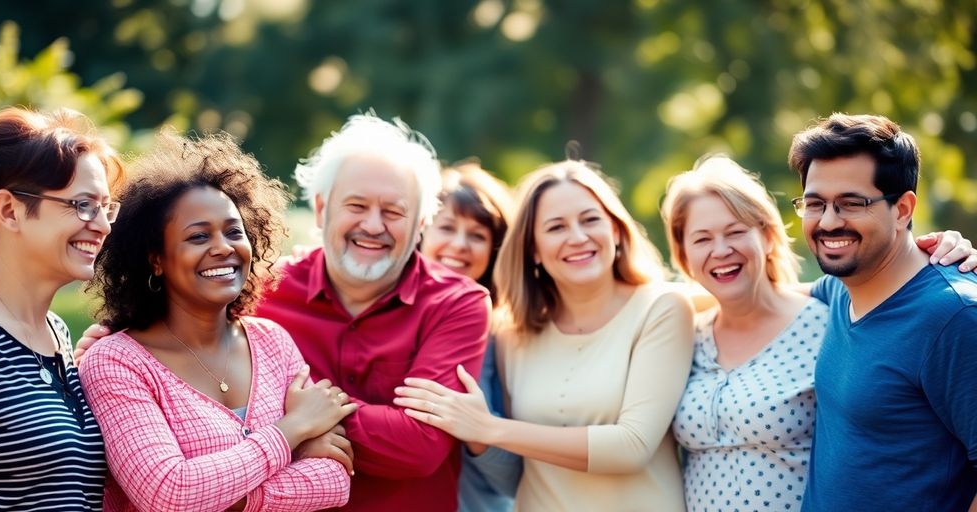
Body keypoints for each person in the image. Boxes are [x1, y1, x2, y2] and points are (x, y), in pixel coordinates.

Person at [77, 132, 355, 511]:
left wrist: (225, 497)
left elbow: (335, 480)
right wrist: (291, 433)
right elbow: (169, 495)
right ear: (156, 259)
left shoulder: (272, 342)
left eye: (233, 231)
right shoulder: (116, 363)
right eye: (198, 236)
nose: (223, 247)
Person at [395, 160, 693, 511]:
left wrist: (488, 429)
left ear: (615, 229)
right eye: (556, 227)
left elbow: (631, 448)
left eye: (590, 219)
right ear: (533, 248)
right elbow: (516, 477)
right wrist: (478, 438)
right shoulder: (511, 331)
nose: (578, 237)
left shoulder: (662, 308)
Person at [253, 114, 491, 511]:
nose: (373, 225)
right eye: (356, 205)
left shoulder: (457, 304)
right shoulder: (260, 291)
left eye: (394, 212)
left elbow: (420, 448)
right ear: (320, 209)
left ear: (420, 225)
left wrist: (297, 422)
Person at [789, 114, 977, 511]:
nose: (828, 222)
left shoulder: (954, 317)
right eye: (815, 204)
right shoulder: (844, 288)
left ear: (903, 208)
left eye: (851, 204)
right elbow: (759, 297)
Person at [0, 107, 122, 509]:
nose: (103, 225)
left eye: (105, 207)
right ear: (10, 210)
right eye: (83, 205)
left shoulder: (59, 335)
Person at [661, 155, 827, 511]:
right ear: (684, 255)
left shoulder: (827, 326)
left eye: (735, 232)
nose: (721, 251)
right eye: (702, 239)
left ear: (767, 237)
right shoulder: (685, 338)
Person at [419, 162, 519, 512]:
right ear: (420, 232)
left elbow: (512, 481)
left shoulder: (502, 339)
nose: (459, 245)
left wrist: (478, 430)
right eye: (446, 227)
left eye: (477, 235)